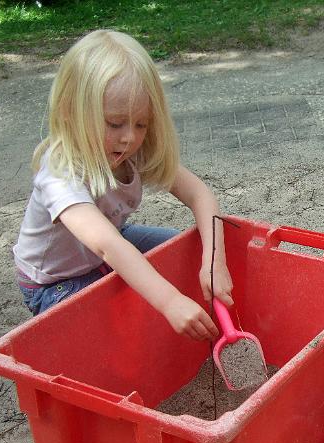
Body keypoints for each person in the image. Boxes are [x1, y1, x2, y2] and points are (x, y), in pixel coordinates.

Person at [13, 29, 233, 341]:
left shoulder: (133, 150)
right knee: (114, 334)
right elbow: (107, 244)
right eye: (115, 123)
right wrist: (170, 301)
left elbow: (199, 194)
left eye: (141, 124)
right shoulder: (60, 172)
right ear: (71, 111)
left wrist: (214, 262)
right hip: (55, 281)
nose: (129, 137)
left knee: (187, 252)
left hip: (112, 244)